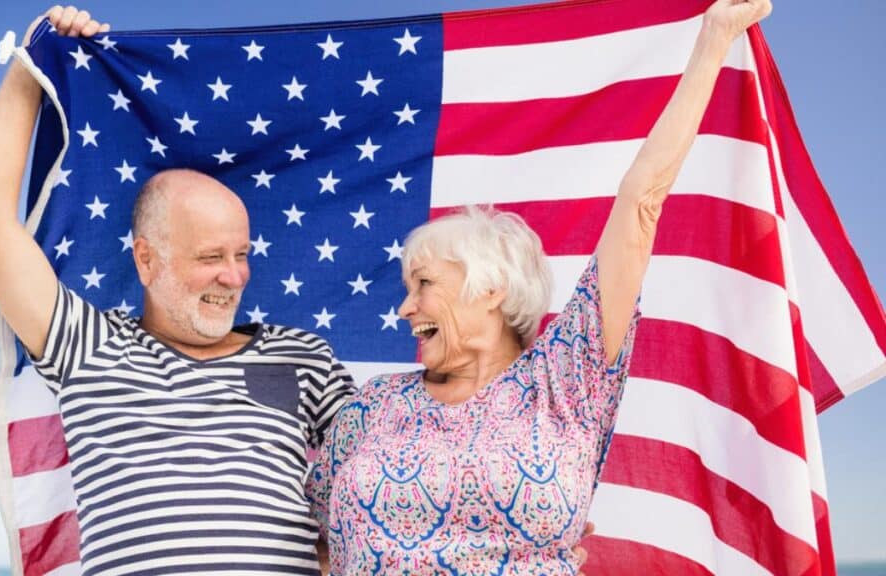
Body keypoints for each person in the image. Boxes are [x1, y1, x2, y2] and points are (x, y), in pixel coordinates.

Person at [305, 0, 774, 574]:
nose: (406, 307)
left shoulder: (566, 380)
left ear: (493, 288)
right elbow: (315, 545)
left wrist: (714, 39)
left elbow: (641, 202)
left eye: (424, 283)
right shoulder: (369, 410)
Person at [0, 7, 358, 575]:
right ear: (146, 260)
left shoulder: (303, 358)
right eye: (211, 258)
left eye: (242, 255)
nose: (235, 277)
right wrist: (30, 68)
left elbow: (374, 492)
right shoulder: (86, 345)